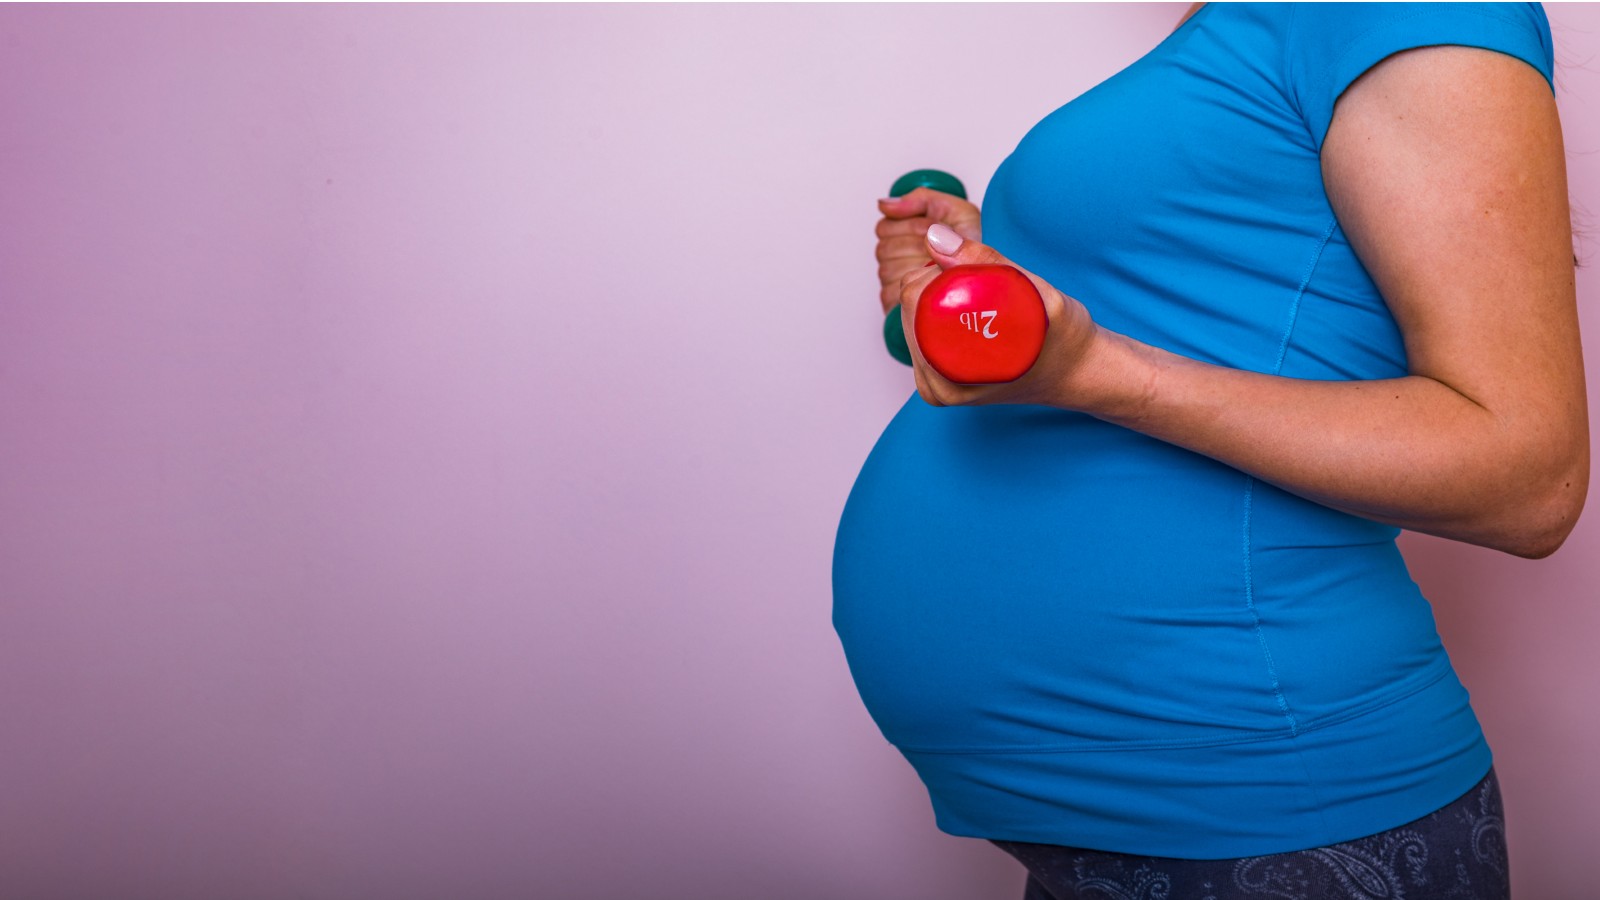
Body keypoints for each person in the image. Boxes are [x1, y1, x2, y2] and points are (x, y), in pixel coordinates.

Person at [831, 3, 1588, 898]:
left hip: (1269, 805)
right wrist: (976, 280)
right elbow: (1214, 306)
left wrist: (1094, 371)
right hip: (1126, 820)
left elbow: (1529, 480)